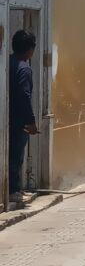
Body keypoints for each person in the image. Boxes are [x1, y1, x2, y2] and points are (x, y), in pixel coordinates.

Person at [8, 30, 38, 205]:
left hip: (7, 118)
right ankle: (13, 190)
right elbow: (24, 96)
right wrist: (31, 122)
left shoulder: (8, 63)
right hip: (18, 121)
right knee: (16, 156)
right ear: (29, 50)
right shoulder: (24, 69)